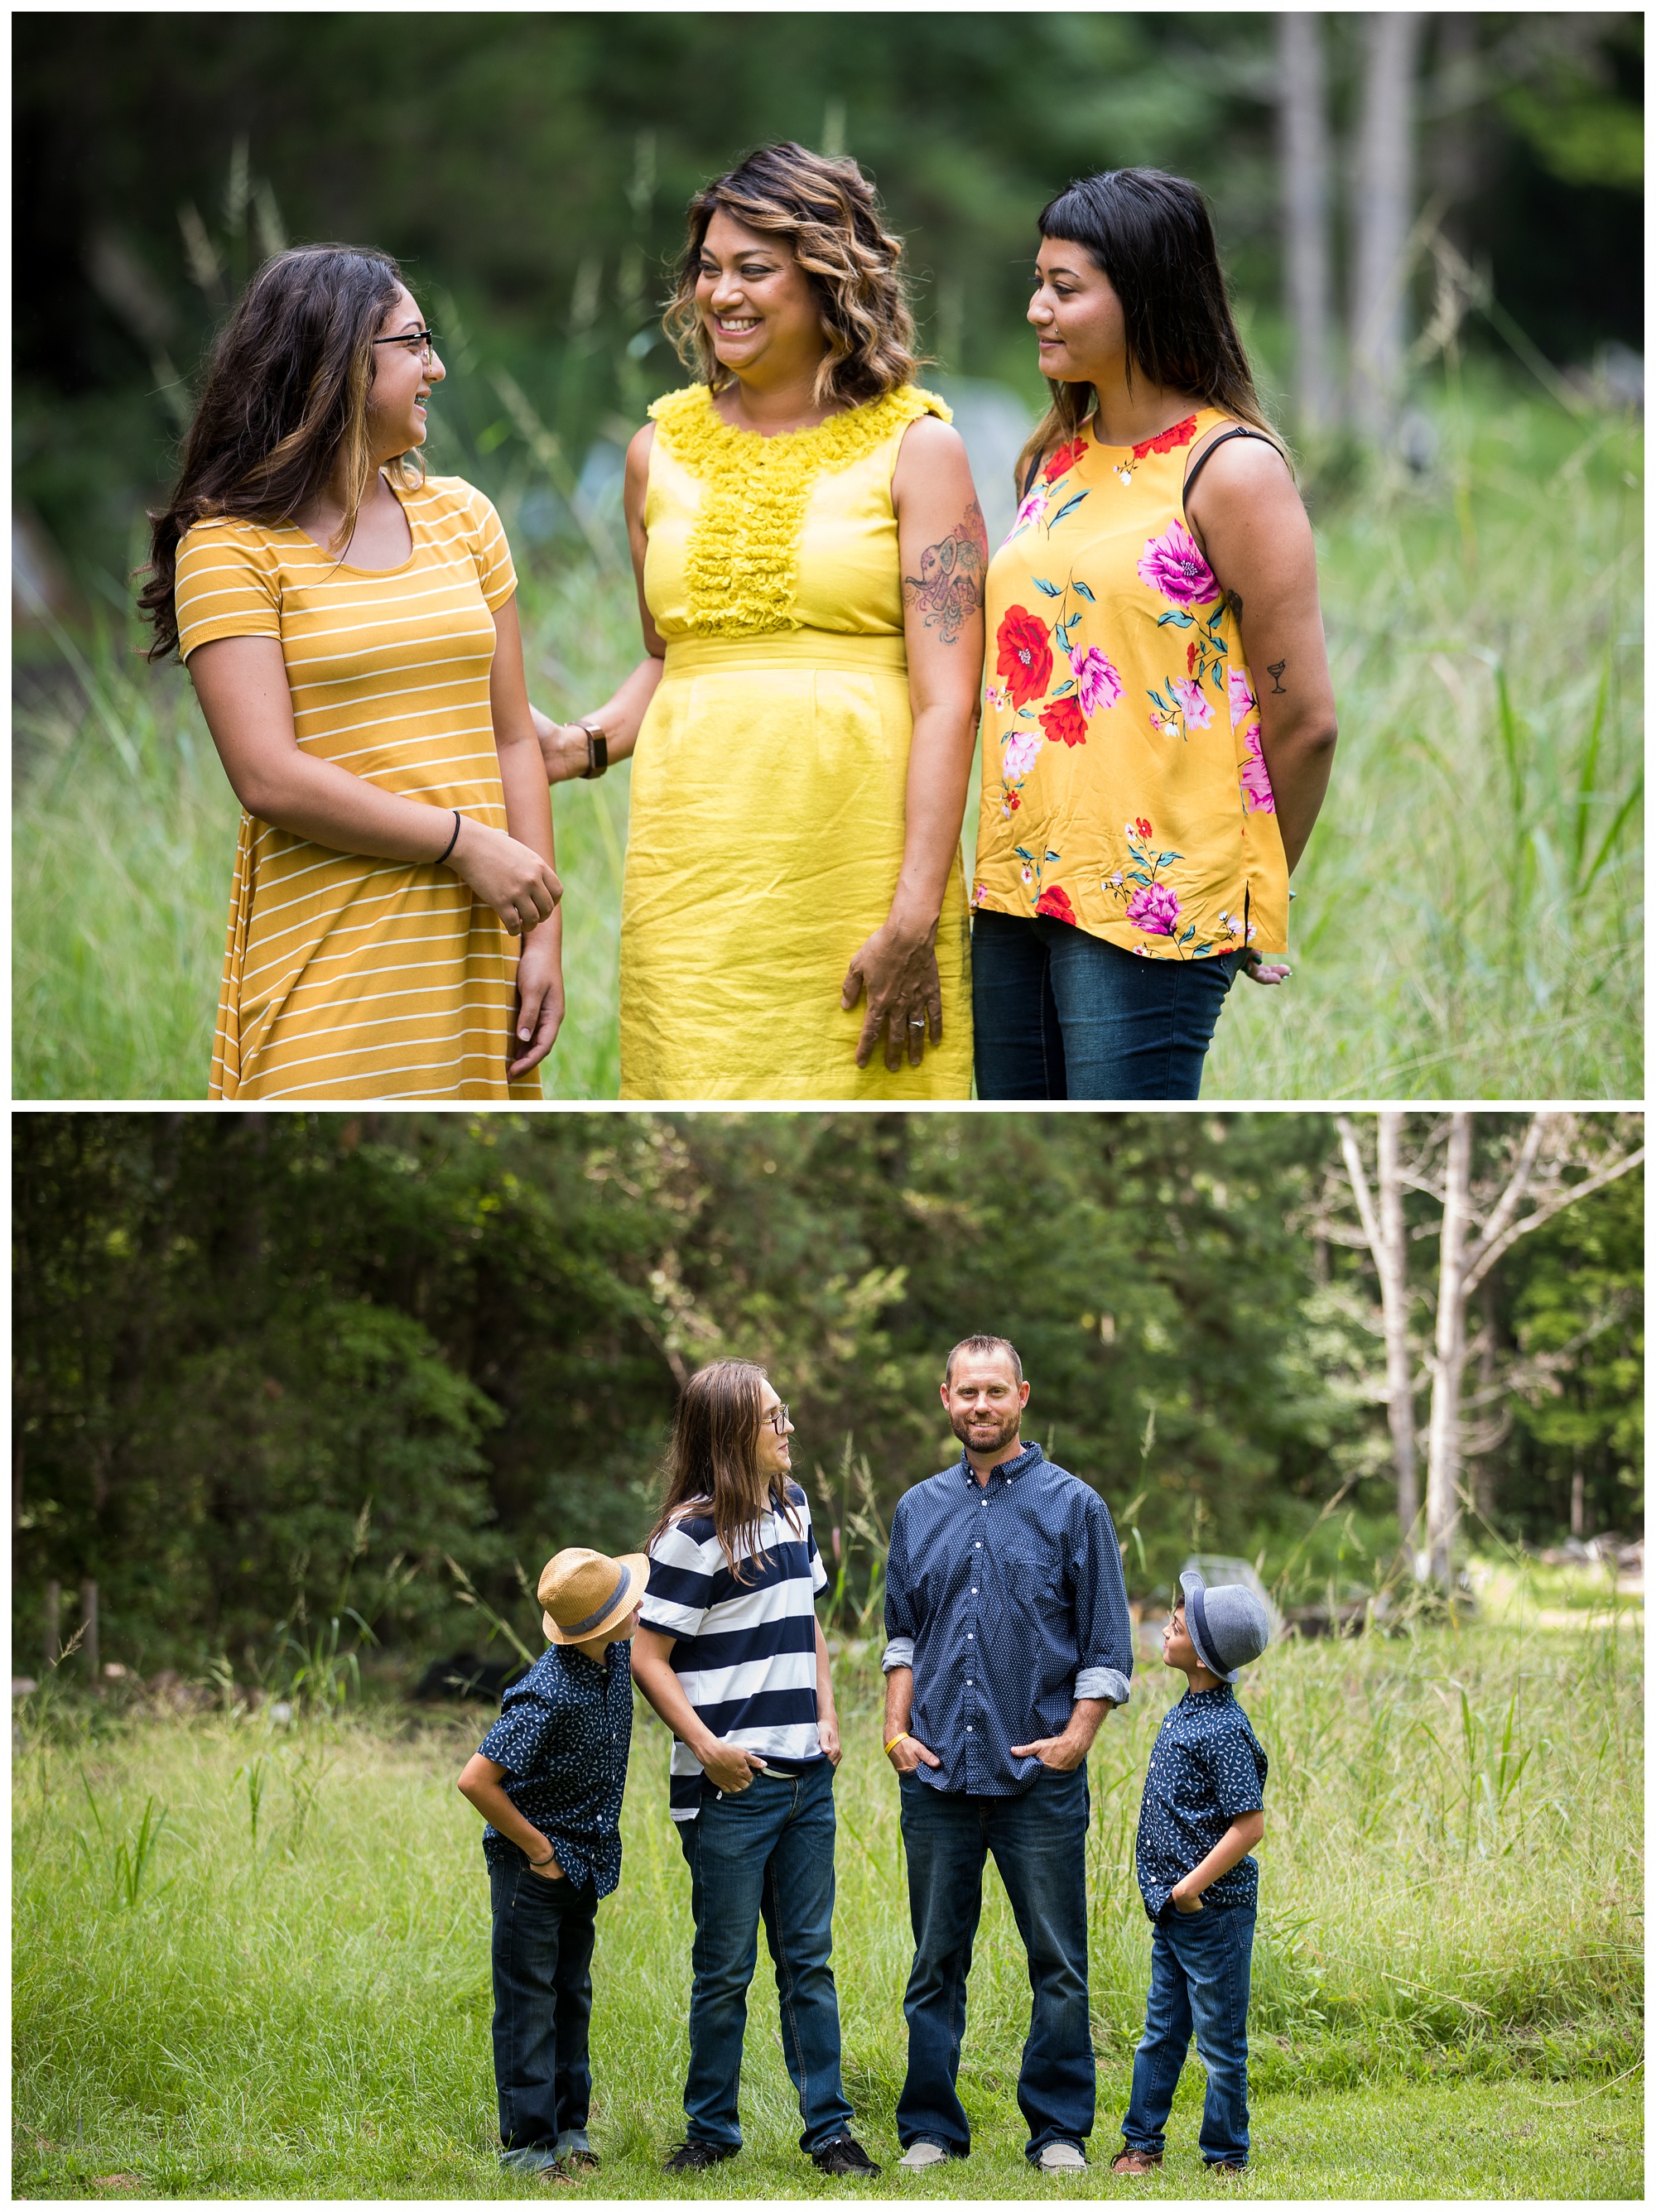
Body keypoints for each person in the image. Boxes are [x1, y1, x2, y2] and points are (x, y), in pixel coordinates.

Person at [531, 142, 981, 1099]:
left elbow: (951, 702)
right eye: (707, 267)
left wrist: (912, 913)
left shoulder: (919, 446)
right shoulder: (655, 452)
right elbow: (673, 659)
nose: (719, 293)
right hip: (697, 863)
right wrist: (583, 745)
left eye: (753, 268)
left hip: (856, 858)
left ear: (828, 280)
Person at [144, 244, 563, 1099]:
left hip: (477, 950)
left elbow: (512, 733)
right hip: (334, 955)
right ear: (336, 364)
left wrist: (543, 938)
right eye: (414, 343)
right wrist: (463, 842)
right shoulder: (228, 549)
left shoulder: (464, 519)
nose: (436, 367)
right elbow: (268, 776)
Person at [970, 168, 1340, 1099]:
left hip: (1154, 903)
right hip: (1015, 888)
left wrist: (1249, 893)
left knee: (1115, 1147)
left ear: (1144, 294)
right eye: (1038, 283)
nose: (1035, 310)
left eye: (1064, 288)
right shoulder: (1051, 458)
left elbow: (1304, 722)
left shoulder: (1231, 470)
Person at [881, 1334, 1134, 2173]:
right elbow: (898, 1636)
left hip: (1039, 1780)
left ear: (1021, 1395)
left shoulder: (1075, 1506)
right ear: (944, 1397)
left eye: (995, 1391)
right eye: (966, 1392)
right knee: (932, 1961)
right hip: (937, 1776)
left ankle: (1057, 2129)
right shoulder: (916, 1508)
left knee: (1057, 1961)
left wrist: (1076, 1737)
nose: (980, 1406)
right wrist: (894, 1730)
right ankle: (929, 2128)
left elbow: (1105, 1642)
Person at [629, 1359, 879, 2178]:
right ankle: (709, 2132)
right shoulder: (690, 1533)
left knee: (807, 1962)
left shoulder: (794, 1506)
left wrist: (829, 1713)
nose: (788, 1427)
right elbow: (647, 1654)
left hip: (808, 1780)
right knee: (724, 1968)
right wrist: (706, 1747)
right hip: (729, 1790)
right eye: (774, 1417)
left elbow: (802, 1619)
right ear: (733, 1431)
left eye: (786, 1411)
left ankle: (830, 2132)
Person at [455, 1545, 647, 2178]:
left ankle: (570, 2132)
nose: (637, 1604)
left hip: (583, 1864)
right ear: (602, 1621)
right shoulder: (546, 1691)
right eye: (627, 1600)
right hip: (532, 1872)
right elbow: (475, 1781)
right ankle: (527, 2149)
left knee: (571, 1996)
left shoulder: (615, 1659)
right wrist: (538, 1851)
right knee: (527, 2004)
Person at [1111, 1570, 1271, 2181]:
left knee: (1221, 2042)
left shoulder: (1225, 1729)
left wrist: (1190, 1889)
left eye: (1179, 1621)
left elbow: (1249, 1827)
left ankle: (1226, 2156)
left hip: (1213, 1912)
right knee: (1161, 2033)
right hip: (1174, 1913)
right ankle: (1140, 2145)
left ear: (1201, 1654)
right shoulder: (1189, 1710)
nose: (1168, 1621)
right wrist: (1174, 1900)